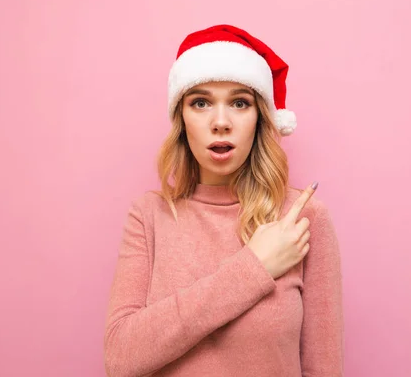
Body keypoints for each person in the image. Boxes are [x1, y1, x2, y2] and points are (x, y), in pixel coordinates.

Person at [103, 24, 344, 377]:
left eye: (239, 103)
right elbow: (120, 359)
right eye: (200, 102)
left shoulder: (302, 219)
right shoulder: (149, 217)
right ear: (181, 118)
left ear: (260, 117)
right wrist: (254, 267)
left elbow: (323, 369)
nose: (220, 122)